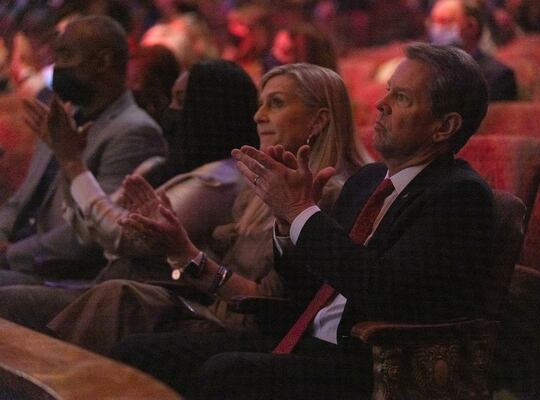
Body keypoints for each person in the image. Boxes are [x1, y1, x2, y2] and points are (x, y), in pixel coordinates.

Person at [108, 43, 497, 399]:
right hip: (303, 339)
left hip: (366, 363)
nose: (381, 105)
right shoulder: (367, 182)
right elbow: (306, 288)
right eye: (388, 91)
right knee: (137, 352)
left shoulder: (458, 195)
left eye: (402, 98)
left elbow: (384, 290)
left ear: (443, 127)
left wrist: (301, 213)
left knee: (225, 374)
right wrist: (284, 221)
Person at [42, 63, 371, 355]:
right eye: (260, 104)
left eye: (276, 103)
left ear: (318, 121)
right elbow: (211, 264)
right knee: (113, 293)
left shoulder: (326, 197)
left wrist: (183, 251)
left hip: (247, 332)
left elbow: (275, 303)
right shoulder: (254, 193)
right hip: (209, 309)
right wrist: (173, 241)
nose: (258, 116)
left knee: (116, 300)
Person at [0, 59, 259, 333]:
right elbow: (91, 227)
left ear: (212, 108)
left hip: (140, 302)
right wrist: (68, 164)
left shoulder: (218, 179)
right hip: (104, 284)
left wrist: (73, 163)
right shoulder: (160, 165)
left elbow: (120, 236)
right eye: (171, 98)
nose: (170, 110)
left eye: (182, 100)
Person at [0, 15, 167, 285]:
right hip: (22, 259)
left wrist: (11, 255)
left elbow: (89, 237)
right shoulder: (63, 117)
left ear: (102, 62)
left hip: (66, 276)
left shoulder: (134, 131)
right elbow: (21, 200)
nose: (57, 66)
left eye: (66, 55)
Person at [428, 0, 518, 101]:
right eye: (433, 22)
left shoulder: (497, 76)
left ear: (471, 26)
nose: (437, 29)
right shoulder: (425, 72)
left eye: (445, 22)